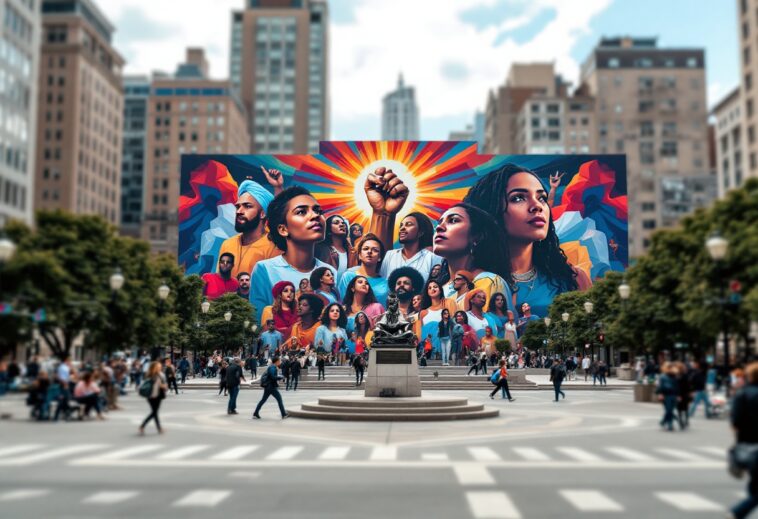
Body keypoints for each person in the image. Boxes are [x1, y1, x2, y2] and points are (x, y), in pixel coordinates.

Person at [463, 164, 592, 318]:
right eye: (518, 198)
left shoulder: (573, 278)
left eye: (541, 198)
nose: (537, 206)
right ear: (490, 210)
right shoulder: (475, 282)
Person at [249, 186, 336, 320]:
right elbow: (258, 322)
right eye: (301, 212)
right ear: (283, 229)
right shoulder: (264, 270)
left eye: (318, 210)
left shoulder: (330, 271)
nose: (315, 215)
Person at [433, 203, 515, 311]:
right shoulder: (437, 289)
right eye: (439, 223)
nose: (439, 227)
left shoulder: (488, 282)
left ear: (476, 236)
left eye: (453, 220)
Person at [217, 172, 282, 279]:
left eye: (247, 206)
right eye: (238, 207)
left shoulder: (274, 246)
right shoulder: (227, 244)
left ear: (263, 213)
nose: (239, 211)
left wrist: (278, 187)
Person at [729, 361, 758, 519]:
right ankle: (738, 512)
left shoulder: (741, 393)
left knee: (755, 483)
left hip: (746, 443)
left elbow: (735, 423)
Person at [379, 211, 442, 281]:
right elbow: (382, 284)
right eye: (401, 225)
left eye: (408, 224)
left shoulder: (432, 258)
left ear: (421, 232)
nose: (402, 228)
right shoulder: (390, 255)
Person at [338, 233, 389, 306]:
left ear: (379, 257)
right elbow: (341, 305)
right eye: (365, 249)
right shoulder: (348, 277)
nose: (369, 252)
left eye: (375, 250)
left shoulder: (385, 283)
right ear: (359, 255)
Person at [315, 214, 356, 281]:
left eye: (343, 223)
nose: (342, 225)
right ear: (328, 229)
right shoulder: (322, 250)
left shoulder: (351, 252)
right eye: (336, 223)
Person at [139, 361, 167, 435]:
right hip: (151, 396)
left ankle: (146, 426)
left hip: (158, 396)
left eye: (159, 367)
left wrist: (163, 386)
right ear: (153, 368)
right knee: (154, 412)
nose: (159, 368)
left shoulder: (161, 375)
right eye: (157, 367)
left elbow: (165, 385)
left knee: (154, 412)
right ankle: (155, 427)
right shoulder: (150, 375)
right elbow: (147, 384)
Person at [656, 362, 680, 431]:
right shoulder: (663, 376)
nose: (671, 368)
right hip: (666, 395)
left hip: (673, 395)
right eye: (669, 367)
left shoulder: (675, 376)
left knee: (670, 410)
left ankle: (663, 421)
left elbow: (677, 386)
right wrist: (660, 394)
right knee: (669, 410)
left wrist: (678, 395)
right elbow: (660, 386)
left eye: (671, 367)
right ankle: (670, 424)